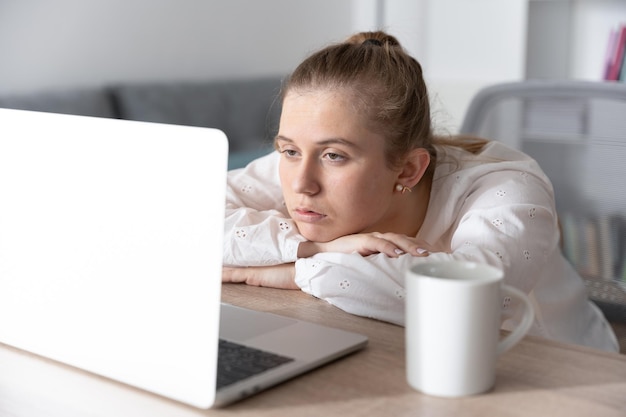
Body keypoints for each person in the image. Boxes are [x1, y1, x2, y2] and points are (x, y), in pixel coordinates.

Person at [222, 31, 619, 352]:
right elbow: (180, 215)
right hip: (399, 353)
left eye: (334, 156)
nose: (301, 183)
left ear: (409, 168)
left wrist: (286, 273)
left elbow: (468, 300)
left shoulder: (507, 187)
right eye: (289, 150)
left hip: (555, 377)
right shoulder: (296, 168)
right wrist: (316, 249)